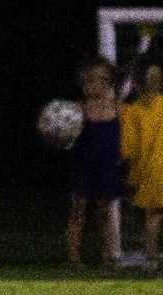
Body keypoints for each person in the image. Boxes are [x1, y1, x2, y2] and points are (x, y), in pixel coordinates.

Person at [65, 57, 125, 269]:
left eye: (96, 81)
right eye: (87, 81)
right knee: (78, 211)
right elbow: (62, 137)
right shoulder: (76, 110)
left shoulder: (117, 108)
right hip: (83, 167)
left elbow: (122, 138)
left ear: (107, 82)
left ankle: (107, 256)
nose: (90, 86)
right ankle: (73, 258)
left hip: (107, 167)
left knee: (104, 213)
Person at [124, 59, 163, 271]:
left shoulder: (132, 112)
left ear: (137, 86)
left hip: (151, 171)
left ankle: (151, 261)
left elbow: (128, 148)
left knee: (152, 217)